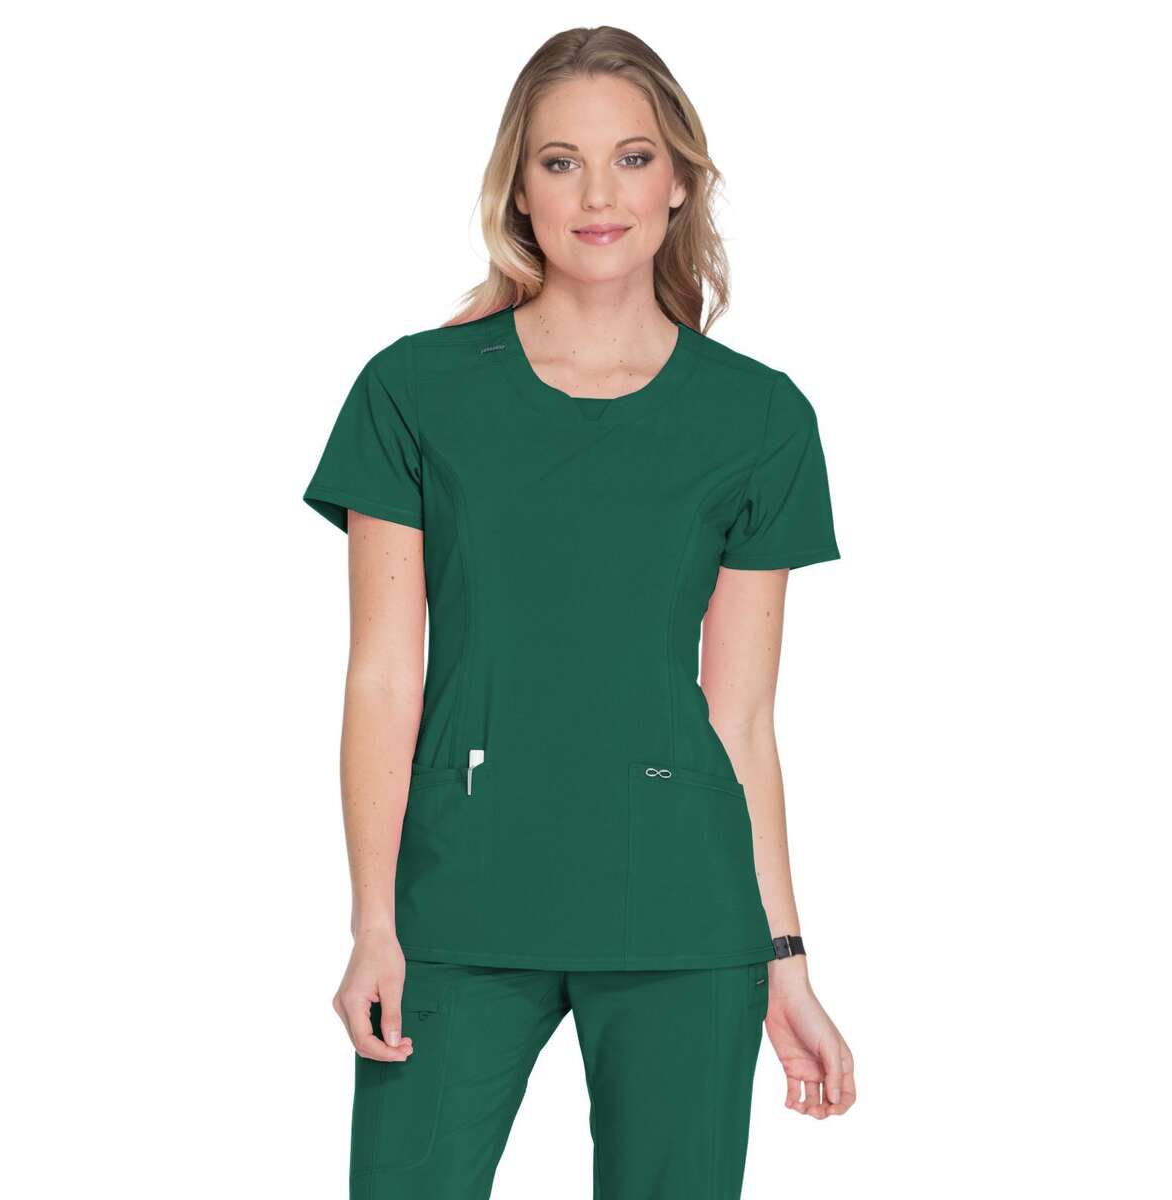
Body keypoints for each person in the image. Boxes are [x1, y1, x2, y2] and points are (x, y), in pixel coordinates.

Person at [302, 25, 856, 1200]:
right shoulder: (413, 393)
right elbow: (384, 679)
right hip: (456, 903)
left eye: (631, 158)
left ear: (679, 183)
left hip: (684, 916)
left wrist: (786, 959)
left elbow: (741, 723)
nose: (599, 195)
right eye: (561, 163)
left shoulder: (759, 419)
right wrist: (373, 924)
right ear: (520, 189)